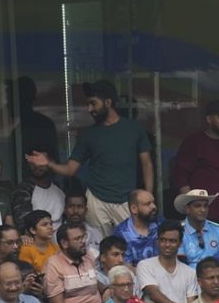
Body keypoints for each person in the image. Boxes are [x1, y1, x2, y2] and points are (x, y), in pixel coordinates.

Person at [27, 80, 153, 234]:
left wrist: (148, 197)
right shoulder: (88, 134)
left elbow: (147, 165)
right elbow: (70, 170)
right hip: (96, 200)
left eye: (93, 103)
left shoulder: (134, 129)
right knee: (99, 248)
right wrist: (48, 163)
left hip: (127, 200)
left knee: (129, 246)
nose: (89, 109)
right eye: (88, 104)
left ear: (108, 102)